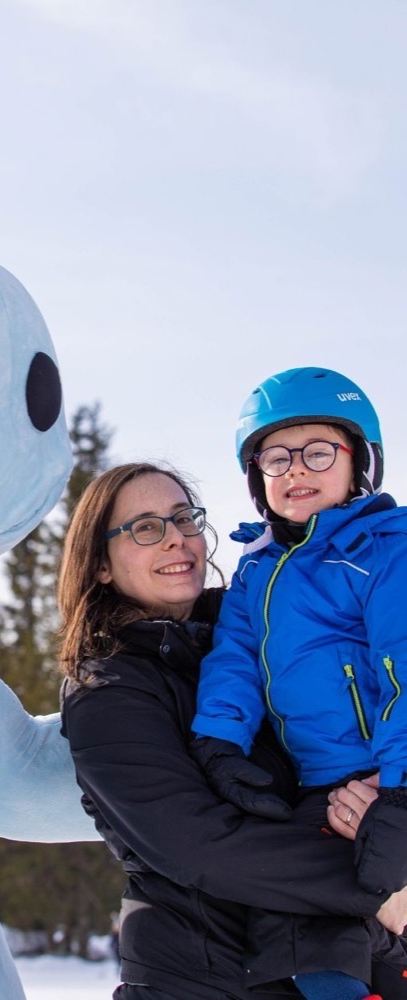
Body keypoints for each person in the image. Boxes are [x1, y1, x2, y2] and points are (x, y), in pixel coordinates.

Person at [59, 461, 407, 1000]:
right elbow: (197, 845)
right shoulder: (107, 691)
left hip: (331, 958)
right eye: (146, 528)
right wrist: (380, 882)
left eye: (184, 519)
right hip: (200, 979)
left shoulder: (263, 626)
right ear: (100, 564)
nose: (176, 540)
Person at [192, 367, 407, 1000]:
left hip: (378, 774)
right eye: (275, 458)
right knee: (297, 912)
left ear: (358, 463)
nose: (294, 470)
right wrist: (219, 745)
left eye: (317, 452)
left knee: (334, 904)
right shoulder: (256, 569)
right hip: (318, 785)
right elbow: (234, 662)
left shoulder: (383, 550)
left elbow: (404, 666)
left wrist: (400, 796)